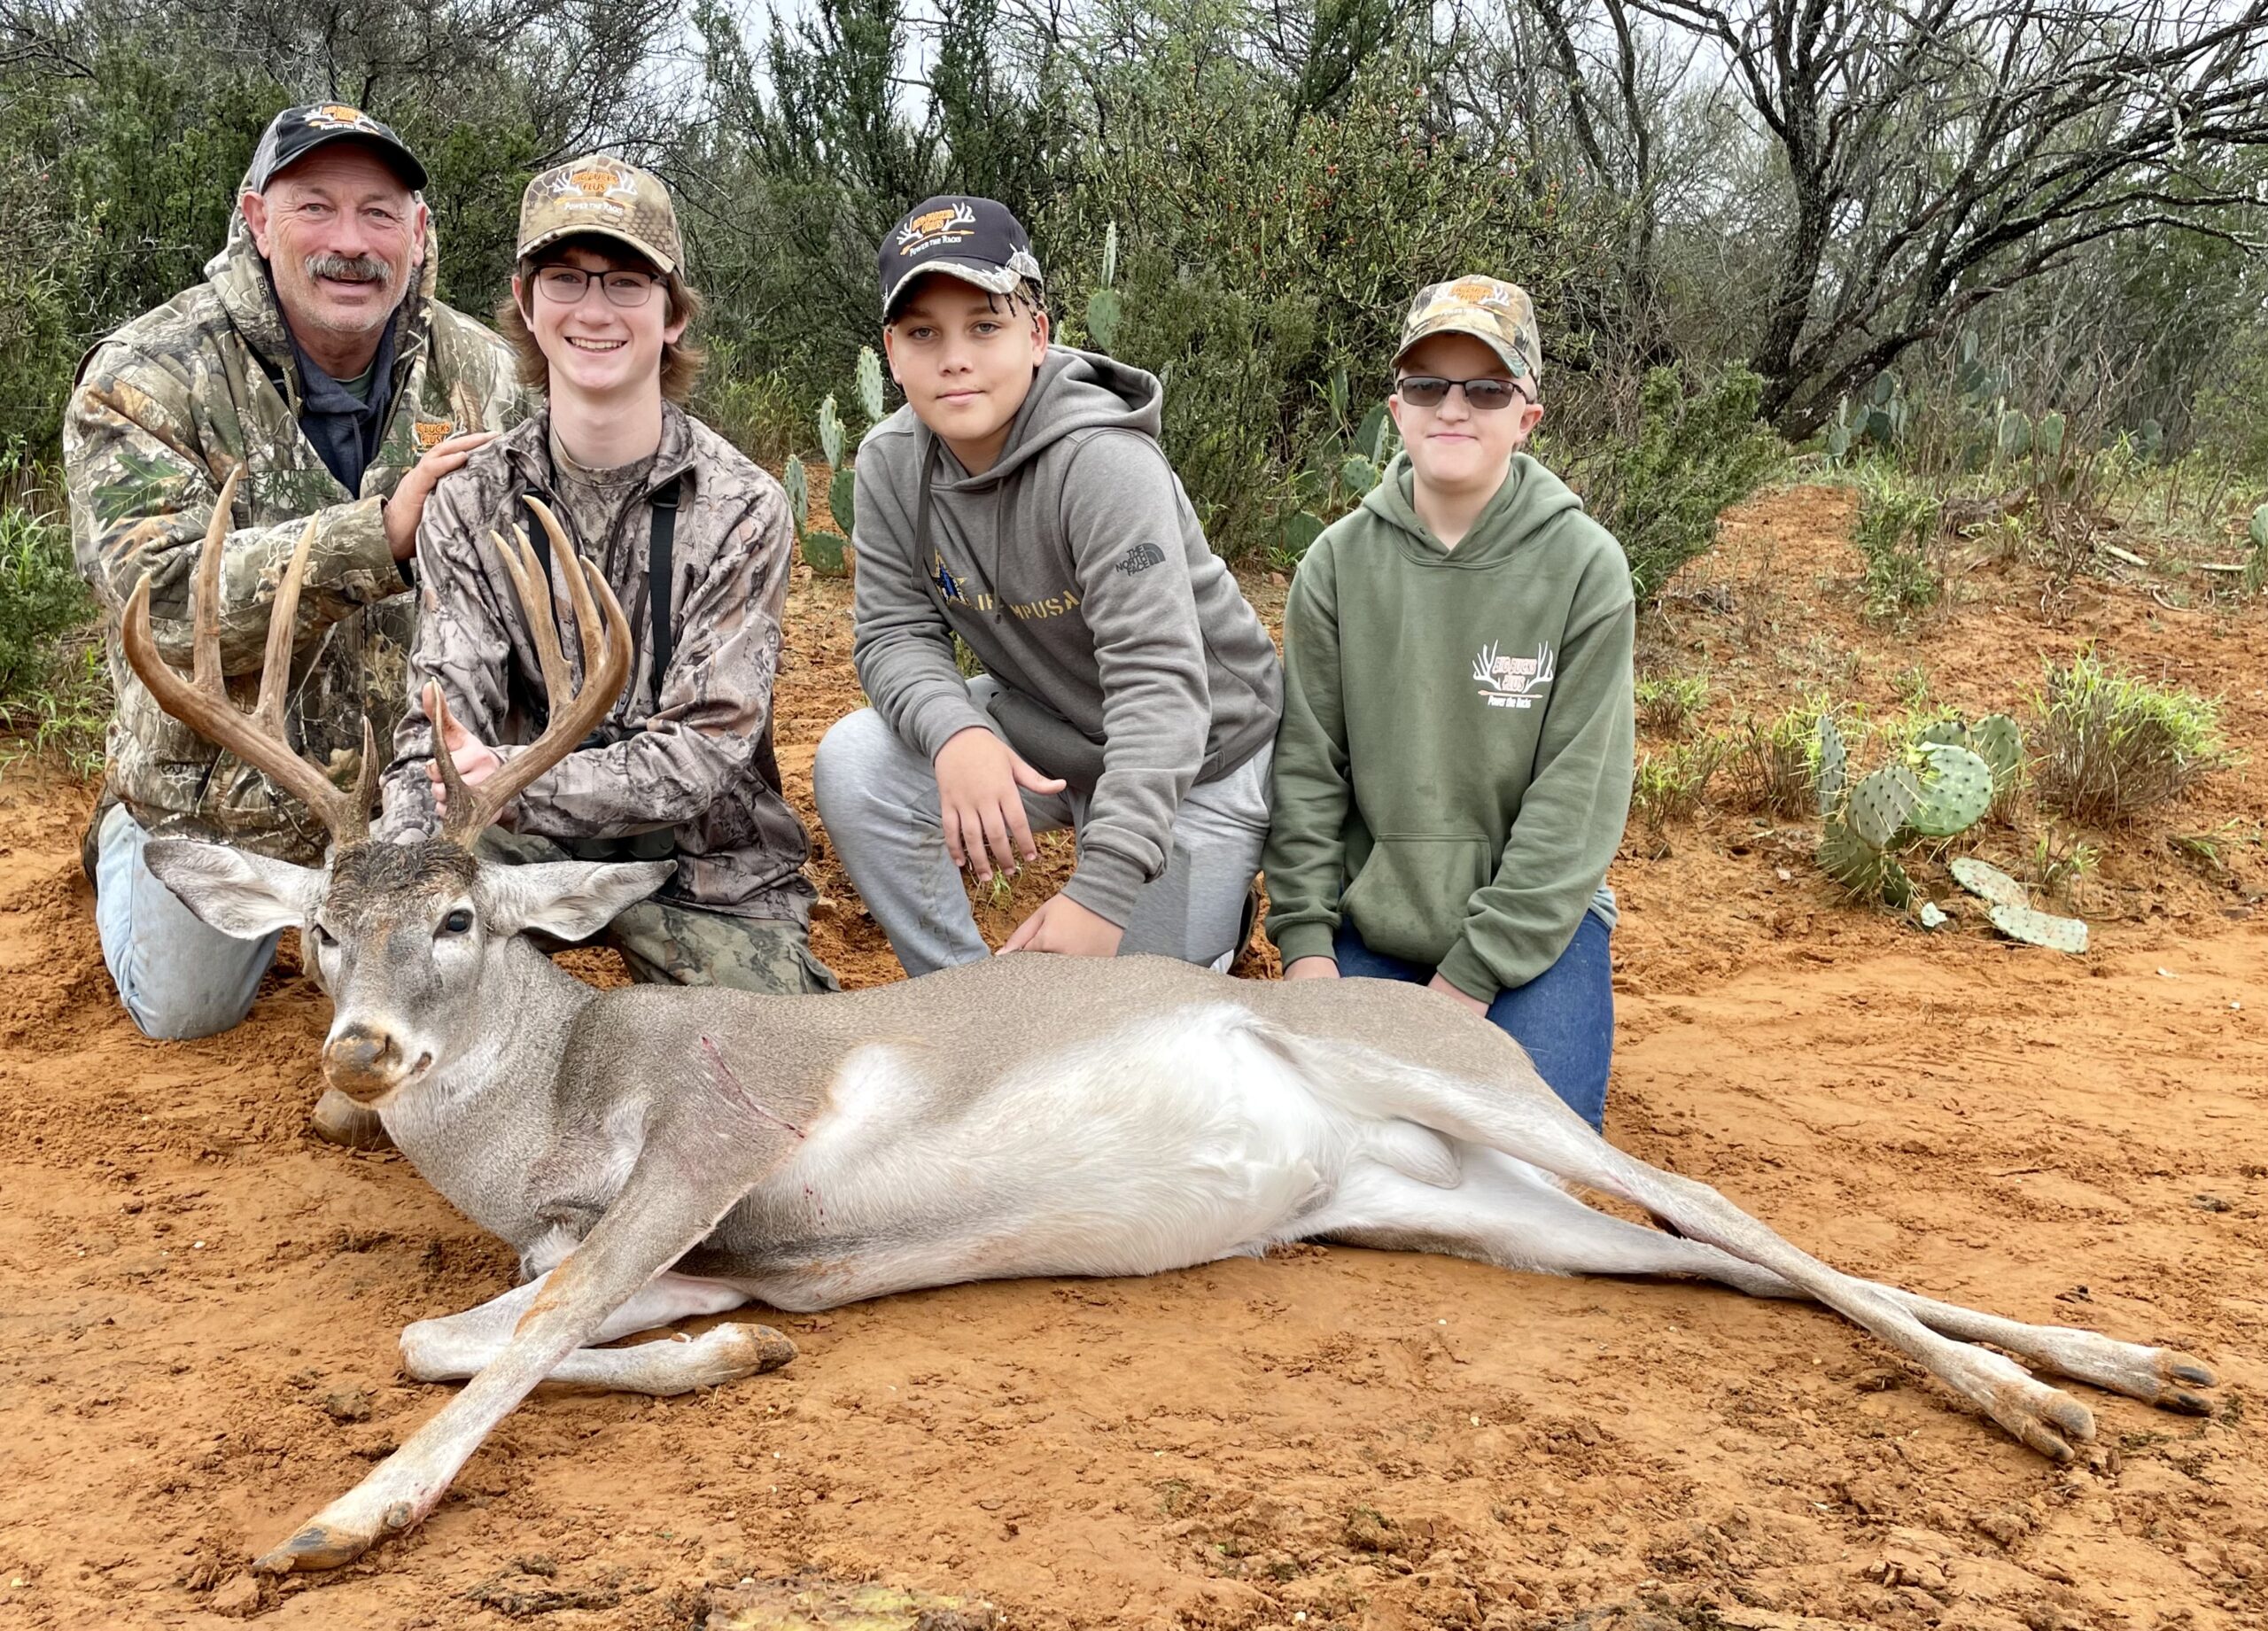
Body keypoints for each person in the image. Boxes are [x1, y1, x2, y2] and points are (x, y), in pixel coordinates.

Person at [64, 105, 524, 1089]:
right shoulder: (145, 375)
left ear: (419, 232)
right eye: (315, 207)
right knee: (186, 1010)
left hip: (416, 794)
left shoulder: (485, 370)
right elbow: (161, 602)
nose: (350, 242)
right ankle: (126, 834)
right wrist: (380, 536)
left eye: (379, 212)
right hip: (230, 790)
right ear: (257, 220)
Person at [377, 156, 834, 998]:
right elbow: (438, 722)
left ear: (673, 312)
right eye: (565, 278)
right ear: (526, 301)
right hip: (519, 852)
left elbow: (701, 754)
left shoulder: (741, 507)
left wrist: (508, 781)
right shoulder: (470, 500)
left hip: (704, 865)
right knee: (397, 1011)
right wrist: (410, 838)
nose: (593, 310)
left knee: (756, 1066)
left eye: (626, 281)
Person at [812, 196, 1282, 976]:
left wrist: (1103, 890)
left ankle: (1207, 908)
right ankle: (964, 998)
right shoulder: (890, 464)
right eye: (924, 333)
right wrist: (957, 734)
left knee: (1131, 1024)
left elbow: (1160, 687)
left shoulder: (1102, 462)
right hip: (1049, 728)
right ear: (891, 353)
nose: (954, 358)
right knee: (857, 763)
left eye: (984, 326)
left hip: (1197, 758)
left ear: (1037, 334)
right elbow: (894, 635)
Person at [1262, 277, 1635, 1130]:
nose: (1454, 408)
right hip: (1375, 921)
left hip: (1531, 934)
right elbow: (1308, 771)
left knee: (1528, 1147)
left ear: (1527, 417)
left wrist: (1468, 981)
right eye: (1429, 385)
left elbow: (1575, 802)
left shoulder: (1587, 567)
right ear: (1397, 409)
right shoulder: (1334, 565)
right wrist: (1309, 953)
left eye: (1487, 389)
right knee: (1345, 1144)